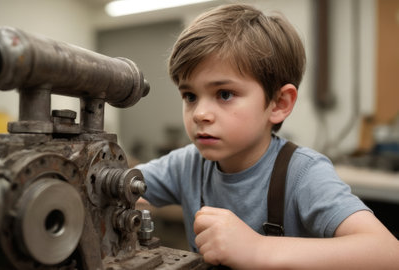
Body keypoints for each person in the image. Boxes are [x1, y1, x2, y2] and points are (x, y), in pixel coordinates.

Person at [136, 3, 399, 269]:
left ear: (279, 103)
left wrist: (259, 248)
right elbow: (113, 186)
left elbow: (388, 253)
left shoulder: (303, 174)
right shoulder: (187, 165)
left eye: (224, 94)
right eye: (190, 96)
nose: (200, 113)